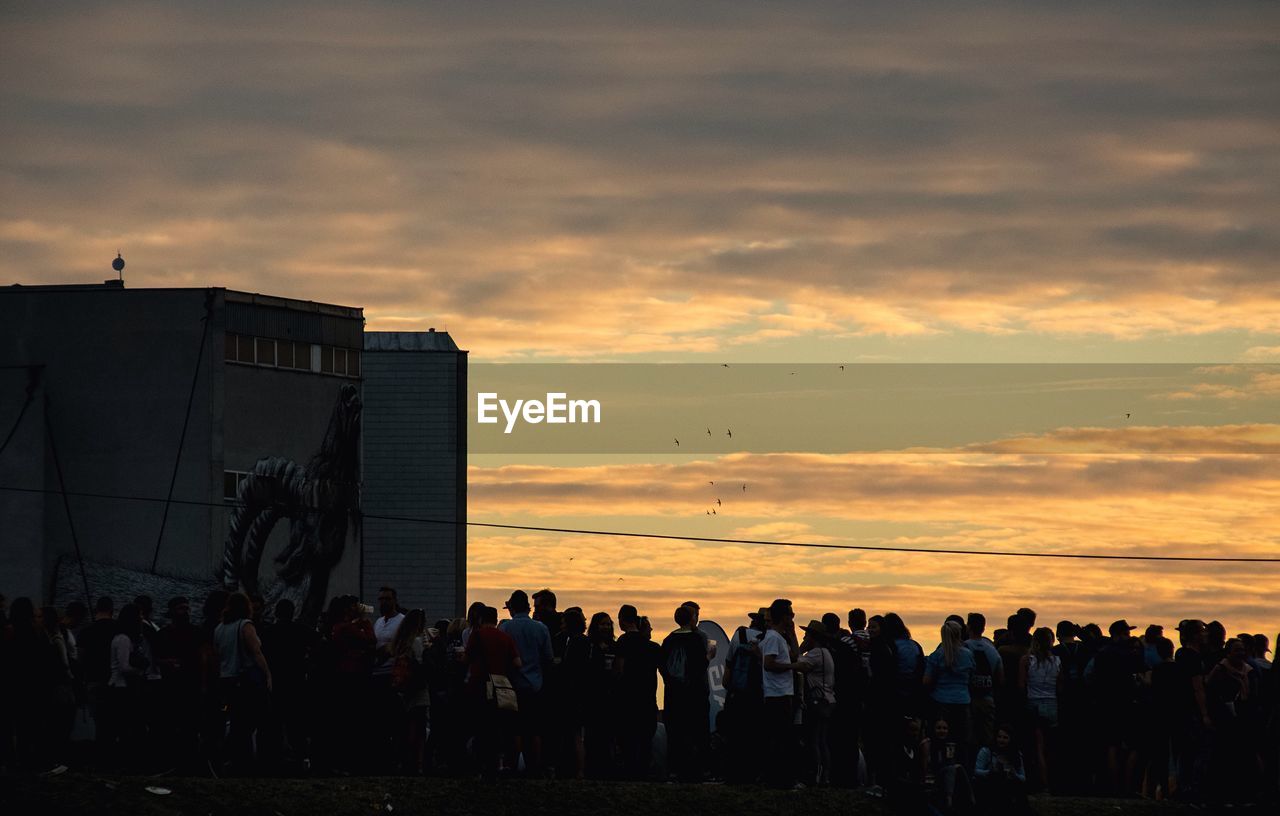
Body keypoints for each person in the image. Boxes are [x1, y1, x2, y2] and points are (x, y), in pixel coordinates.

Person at [213, 592, 272, 771]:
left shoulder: (220, 628)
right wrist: (268, 674)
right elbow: (256, 652)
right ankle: (243, 760)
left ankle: (229, 757)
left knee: (234, 720)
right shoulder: (245, 626)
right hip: (244, 679)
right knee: (247, 722)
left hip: (226, 679)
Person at [499, 589, 553, 774]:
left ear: (512, 607)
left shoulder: (505, 628)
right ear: (529, 608)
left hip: (512, 686)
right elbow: (548, 658)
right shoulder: (541, 628)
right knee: (534, 729)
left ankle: (512, 765)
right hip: (535, 685)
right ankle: (534, 766)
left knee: (514, 729)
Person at [464, 605, 522, 776]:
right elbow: (518, 663)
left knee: (480, 727)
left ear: (481, 619)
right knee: (498, 727)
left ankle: (480, 764)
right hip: (500, 688)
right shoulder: (505, 637)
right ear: (496, 619)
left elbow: (466, 659)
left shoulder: (477, 635)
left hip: (479, 686)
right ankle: (498, 763)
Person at [259, 598, 312, 768]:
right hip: (296, 681)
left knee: (274, 721)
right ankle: (299, 756)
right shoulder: (301, 630)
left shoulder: (269, 632)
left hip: (275, 681)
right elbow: (320, 643)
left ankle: (273, 757)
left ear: (276, 613)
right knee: (296, 722)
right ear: (292, 612)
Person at [660, 604, 710, 782]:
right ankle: (695, 771)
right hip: (694, 694)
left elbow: (663, 666)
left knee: (676, 733)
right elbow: (698, 667)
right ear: (692, 618)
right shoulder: (697, 639)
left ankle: (676, 769)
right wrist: (709, 657)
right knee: (696, 732)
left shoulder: (668, 639)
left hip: (673, 695)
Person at [759, 598, 804, 788]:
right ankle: (778, 779)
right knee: (779, 738)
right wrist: (793, 667)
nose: (793, 618)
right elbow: (768, 664)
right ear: (783, 616)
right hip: (777, 695)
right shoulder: (773, 638)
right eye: (790, 614)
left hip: (782, 694)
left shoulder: (780, 638)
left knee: (782, 737)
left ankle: (779, 778)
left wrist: (793, 634)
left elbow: (795, 654)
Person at [613, 604, 660, 780]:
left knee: (629, 742)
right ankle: (643, 774)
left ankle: (631, 774)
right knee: (645, 742)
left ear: (622, 620)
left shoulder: (623, 642)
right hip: (648, 699)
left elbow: (619, 669)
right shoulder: (653, 647)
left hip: (627, 699)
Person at [722, 608, 767, 782]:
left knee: (734, 737)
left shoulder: (739, 634)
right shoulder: (768, 640)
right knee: (754, 737)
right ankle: (751, 773)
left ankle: (732, 773)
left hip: (736, 695)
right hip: (757, 696)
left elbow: (728, 669)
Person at [390, 609, 432, 775]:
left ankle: (404, 761)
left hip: (405, 688)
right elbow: (422, 663)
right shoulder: (417, 642)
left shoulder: (401, 643)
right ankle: (417, 763)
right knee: (419, 728)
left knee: (406, 727)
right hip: (418, 689)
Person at [1019, 626, 1060, 789]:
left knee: (1037, 747)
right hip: (1052, 703)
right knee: (1050, 746)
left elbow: (1021, 685)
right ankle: (1052, 780)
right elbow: (1060, 686)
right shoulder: (1057, 661)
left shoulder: (1026, 660)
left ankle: (1042, 782)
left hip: (1033, 702)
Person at [924, 620, 975, 750]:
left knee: (940, 738)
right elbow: (972, 677)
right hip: (963, 700)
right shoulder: (968, 655)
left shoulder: (936, 656)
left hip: (940, 700)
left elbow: (926, 681)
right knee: (961, 738)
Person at [798, 619, 836, 786]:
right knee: (822, 740)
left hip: (817, 701)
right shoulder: (826, 653)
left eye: (806, 635)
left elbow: (798, 663)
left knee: (813, 740)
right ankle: (825, 776)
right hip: (828, 701)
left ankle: (816, 775)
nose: (804, 637)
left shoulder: (815, 654)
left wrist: (801, 649)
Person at [584, 611, 618, 777]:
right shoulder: (590, 646)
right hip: (594, 697)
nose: (605, 627)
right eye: (602, 624)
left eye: (608, 624)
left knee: (608, 735)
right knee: (593, 735)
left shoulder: (615, 646)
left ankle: (608, 768)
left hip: (610, 697)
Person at [965, 612, 1004, 751]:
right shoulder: (992, 650)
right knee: (987, 738)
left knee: (968, 737)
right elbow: (1000, 678)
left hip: (968, 698)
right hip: (988, 698)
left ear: (968, 627)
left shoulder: (964, 648)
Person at [923, 718, 974, 814]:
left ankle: (971, 800)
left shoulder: (950, 745)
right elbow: (932, 766)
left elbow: (950, 763)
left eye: (944, 728)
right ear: (933, 729)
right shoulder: (929, 744)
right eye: (939, 728)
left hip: (947, 778)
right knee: (952, 769)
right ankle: (949, 801)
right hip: (933, 778)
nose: (942, 731)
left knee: (959, 768)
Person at [974, 724, 1029, 815]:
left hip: (1009, 783)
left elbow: (1023, 777)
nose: (1001, 740)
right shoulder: (986, 751)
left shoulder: (1016, 754)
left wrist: (1015, 775)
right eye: (999, 737)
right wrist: (989, 771)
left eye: (1005, 737)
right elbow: (976, 771)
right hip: (990, 783)